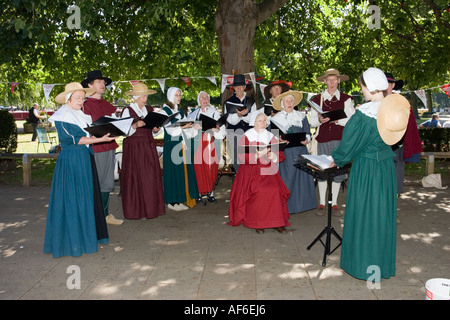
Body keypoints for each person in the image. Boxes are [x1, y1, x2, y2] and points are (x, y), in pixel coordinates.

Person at [331, 67, 409, 281]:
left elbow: (347, 147)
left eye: (362, 87)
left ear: (371, 87)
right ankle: (380, 266)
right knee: (381, 216)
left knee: (365, 215)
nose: (362, 91)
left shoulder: (364, 115)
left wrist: (336, 159)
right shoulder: (394, 109)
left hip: (367, 170)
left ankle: (363, 266)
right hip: (385, 169)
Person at [44, 82, 115, 258]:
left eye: (83, 98)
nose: (81, 101)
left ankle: (86, 236)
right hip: (71, 160)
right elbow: (77, 139)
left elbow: (89, 135)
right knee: (72, 197)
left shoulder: (81, 114)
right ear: (68, 98)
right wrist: (100, 140)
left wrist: (105, 133)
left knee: (85, 196)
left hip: (85, 158)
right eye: (77, 98)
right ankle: (73, 240)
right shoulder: (62, 116)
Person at [227, 112, 291, 234]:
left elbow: (280, 154)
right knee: (259, 189)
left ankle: (277, 221)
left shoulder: (271, 136)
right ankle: (258, 222)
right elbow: (241, 156)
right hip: (250, 169)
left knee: (275, 189)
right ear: (253, 122)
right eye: (260, 121)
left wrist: (274, 155)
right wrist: (257, 155)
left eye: (265, 121)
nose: (264, 123)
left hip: (268, 168)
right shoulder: (246, 136)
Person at [309, 68, 355, 216]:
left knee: (338, 171)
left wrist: (336, 119)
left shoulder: (346, 99)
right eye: (329, 80)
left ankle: (334, 203)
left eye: (335, 80)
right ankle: (322, 202)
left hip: (340, 140)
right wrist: (320, 120)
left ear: (338, 81)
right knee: (322, 170)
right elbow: (312, 122)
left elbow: (351, 120)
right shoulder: (316, 99)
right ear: (325, 81)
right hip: (322, 139)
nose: (332, 83)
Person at [82, 70, 123, 225]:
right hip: (95, 148)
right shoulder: (85, 105)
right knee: (95, 182)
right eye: (99, 82)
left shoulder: (105, 104)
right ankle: (93, 217)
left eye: (103, 82)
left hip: (109, 145)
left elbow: (115, 121)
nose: (103, 84)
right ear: (90, 85)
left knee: (107, 182)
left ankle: (105, 214)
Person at [120, 83, 165, 219]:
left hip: (148, 146)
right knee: (135, 178)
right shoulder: (128, 110)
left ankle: (151, 209)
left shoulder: (149, 110)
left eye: (146, 96)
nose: (145, 98)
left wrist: (156, 129)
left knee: (150, 177)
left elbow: (155, 131)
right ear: (136, 97)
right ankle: (136, 210)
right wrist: (135, 125)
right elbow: (123, 131)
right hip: (134, 147)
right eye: (142, 96)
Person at [270, 90, 317, 214]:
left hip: (301, 150)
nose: (289, 103)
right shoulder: (275, 119)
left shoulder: (301, 116)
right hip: (285, 153)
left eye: (291, 101)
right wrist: (278, 139)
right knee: (287, 178)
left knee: (302, 178)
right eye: (287, 101)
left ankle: (302, 205)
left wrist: (307, 139)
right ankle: (286, 206)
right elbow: (272, 136)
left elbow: (307, 131)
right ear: (282, 103)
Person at [160, 87, 199, 211]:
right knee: (172, 173)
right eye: (176, 95)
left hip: (181, 145)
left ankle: (179, 199)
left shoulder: (180, 112)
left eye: (180, 95)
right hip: (171, 145)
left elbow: (185, 130)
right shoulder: (164, 111)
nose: (179, 97)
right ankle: (172, 201)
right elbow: (169, 130)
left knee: (180, 173)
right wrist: (183, 127)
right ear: (171, 96)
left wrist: (192, 127)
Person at [385, 72, 423, 198]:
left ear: (393, 85)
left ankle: (393, 212)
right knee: (380, 180)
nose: (386, 87)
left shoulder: (402, 102)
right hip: (379, 147)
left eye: (389, 84)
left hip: (397, 147)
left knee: (396, 180)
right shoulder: (374, 102)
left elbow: (409, 124)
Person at [190, 91, 226, 203]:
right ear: (198, 100)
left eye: (206, 97)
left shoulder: (215, 113)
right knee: (199, 167)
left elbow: (222, 131)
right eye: (202, 98)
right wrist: (194, 128)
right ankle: (200, 192)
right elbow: (187, 129)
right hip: (197, 143)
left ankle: (210, 192)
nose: (205, 100)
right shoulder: (194, 113)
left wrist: (217, 130)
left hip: (211, 143)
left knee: (211, 167)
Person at [223, 74, 257, 174]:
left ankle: (250, 184)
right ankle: (239, 184)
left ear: (244, 87)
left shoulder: (251, 102)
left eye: (241, 86)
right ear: (233, 88)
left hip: (249, 134)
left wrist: (245, 115)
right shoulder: (228, 102)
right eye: (237, 87)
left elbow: (253, 119)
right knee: (237, 160)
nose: (239, 88)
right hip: (234, 134)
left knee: (250, 159)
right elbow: (229, 120)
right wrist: (238, 115)